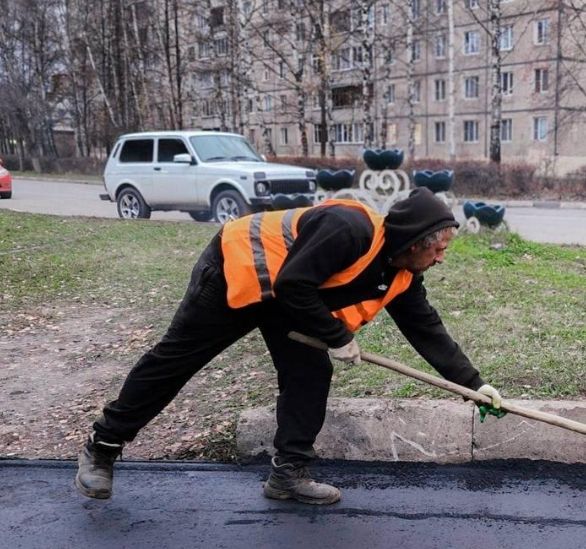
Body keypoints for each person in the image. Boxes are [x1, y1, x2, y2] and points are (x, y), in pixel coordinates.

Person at [75, 188, 502, 504]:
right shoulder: (349, 229)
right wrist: (337, 336)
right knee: (176, 360)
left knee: (310, 372)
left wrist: (473, 385)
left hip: (290, 297)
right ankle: (103, 448)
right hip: (237, 270)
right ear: (415, 242)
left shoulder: (403, 275)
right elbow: (294, 282)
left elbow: (426, 329)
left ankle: (288, 474)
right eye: (439, 249)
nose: (441, 258)